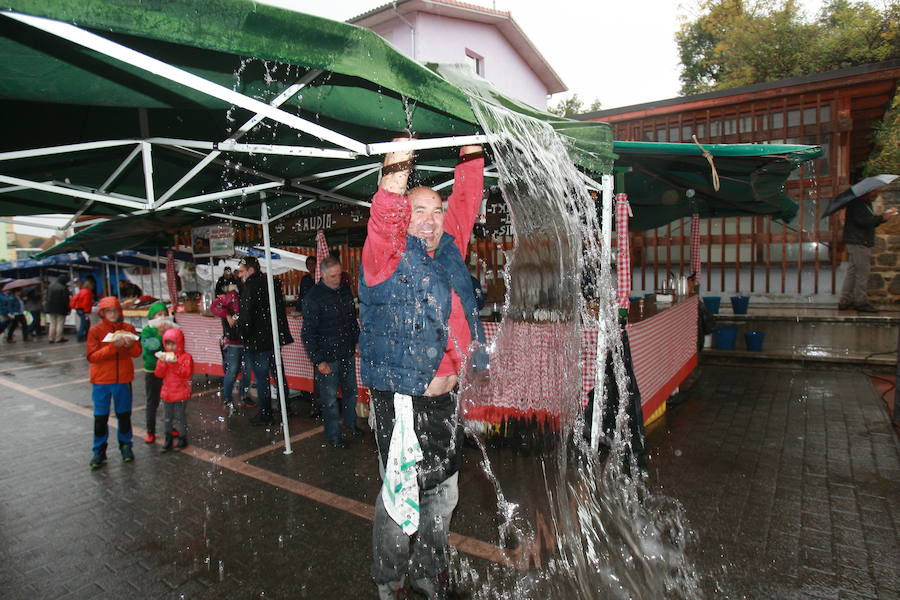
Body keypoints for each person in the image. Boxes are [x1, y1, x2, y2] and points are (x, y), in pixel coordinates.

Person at [358, 140, 487, 599]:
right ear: (404, 219)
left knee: (445, 495)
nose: (430, 220)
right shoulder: (384, 257)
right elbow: (386, 211)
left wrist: (472, 151)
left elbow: (466, 201)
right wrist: (399, 158)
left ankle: (427, 572)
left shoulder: (449, 250)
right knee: (400, 499)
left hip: (446, 402)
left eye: (437, 210)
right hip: (402, 404)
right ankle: (390, 580)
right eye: (419, 211)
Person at [301, 255, 362, 448]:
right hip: (327, 356)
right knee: (329, 401)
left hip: (346, 351)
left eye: (339, 275)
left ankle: (351, 424)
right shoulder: (313, 297)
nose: (337, 279)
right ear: (323, 275)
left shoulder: (344, 290)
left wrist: (357, 341)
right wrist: (318, 360)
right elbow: (308, 333)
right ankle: (334, 435)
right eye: (333, 276)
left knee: (351, 393)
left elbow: (351, 320)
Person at [236, 255, 294, 426]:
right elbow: (279, 311)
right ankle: (285, 408)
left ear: (251, 270)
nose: (239, 275)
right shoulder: (272, 283)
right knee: (278, 374)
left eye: (242, 271)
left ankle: (265, 414)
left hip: (258, 340)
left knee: (262, 379)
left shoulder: (250, 287)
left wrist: (243, 335)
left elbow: (247, 316)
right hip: (273, 338)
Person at [86, 296, 142, 469]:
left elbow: (137, 353)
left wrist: (129, 345)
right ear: (102, 313)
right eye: (108, 311)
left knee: (124, 415)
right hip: (101, 380)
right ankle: (99, 451)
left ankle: (125, 446)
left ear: (120, 311)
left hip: (123, 380)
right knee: (100, 417)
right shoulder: (95, 331)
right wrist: (113, 347)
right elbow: (92, 356)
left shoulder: (128, 328)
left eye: (115, 310)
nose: (112, 314)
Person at [838, 192, 897, 312]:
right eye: (874, 192)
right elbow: (863, 222)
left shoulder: (863, 203)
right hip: (859, 242)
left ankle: (845, 301)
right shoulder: (857, 203)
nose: (876, 194)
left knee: (852, 272)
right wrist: (882, 218)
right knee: (862, 273)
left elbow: (867, 220)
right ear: (866, 192)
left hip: (858, 241)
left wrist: (879, 217)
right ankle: (861, 302)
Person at [210, 284, 254, 414]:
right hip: (235, 341)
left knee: (244, 370)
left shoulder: (245, 295)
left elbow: (242, 314)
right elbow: (214, 307)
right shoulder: (230, 297)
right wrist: (228, 314)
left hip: (245, 340)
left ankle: (240, 397)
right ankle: (229, 399)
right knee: (234, 371)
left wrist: (230, 315)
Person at [140, 302, 174, 443]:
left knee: (170, 400)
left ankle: (170, 427)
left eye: (165, 314)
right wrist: (161, 335)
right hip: (152, 370)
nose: (162, 317)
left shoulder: (169, 328)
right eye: (159, 315)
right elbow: (151, 346)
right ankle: (150, 431)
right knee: (152, 401)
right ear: (152, 316)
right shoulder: (147, 331)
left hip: (168, 369)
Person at [154, 327, 193, 451]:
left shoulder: (186, 357)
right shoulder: (163, 357)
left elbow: (186, 374)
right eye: (168, 344)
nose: (170, 347)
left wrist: (174, 364)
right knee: (167, 417)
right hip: (167, 393)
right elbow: (158, 374)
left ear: (179, 343)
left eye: (173, 344)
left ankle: (183, 438)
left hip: (181, 393)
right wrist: (162, 363)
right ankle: (168, 438)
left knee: (180, 416)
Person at [45, 274, 72, 344]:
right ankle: (58, 338)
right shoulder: (63, 288)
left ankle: (51, 338)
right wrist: (68, 309)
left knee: (52, 323)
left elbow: (46, 297)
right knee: (60, 323)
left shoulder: (50, 286)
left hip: (50, 308)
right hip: (61, 308)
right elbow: (66, 300)